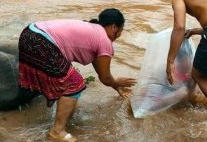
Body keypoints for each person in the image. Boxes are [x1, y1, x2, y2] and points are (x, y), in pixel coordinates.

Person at [18, 8, 136, 141]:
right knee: (75, 83)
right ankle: (57, 131)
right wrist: (118, 82)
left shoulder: (93, 29)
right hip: (41, 41)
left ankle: (64, 117)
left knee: (67, 78)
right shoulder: (104, 41)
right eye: (120, 31)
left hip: (29, 33)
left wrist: (116, 87)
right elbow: (106, 77)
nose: (119, 35)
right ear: (114, 27)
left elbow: (102, 75)